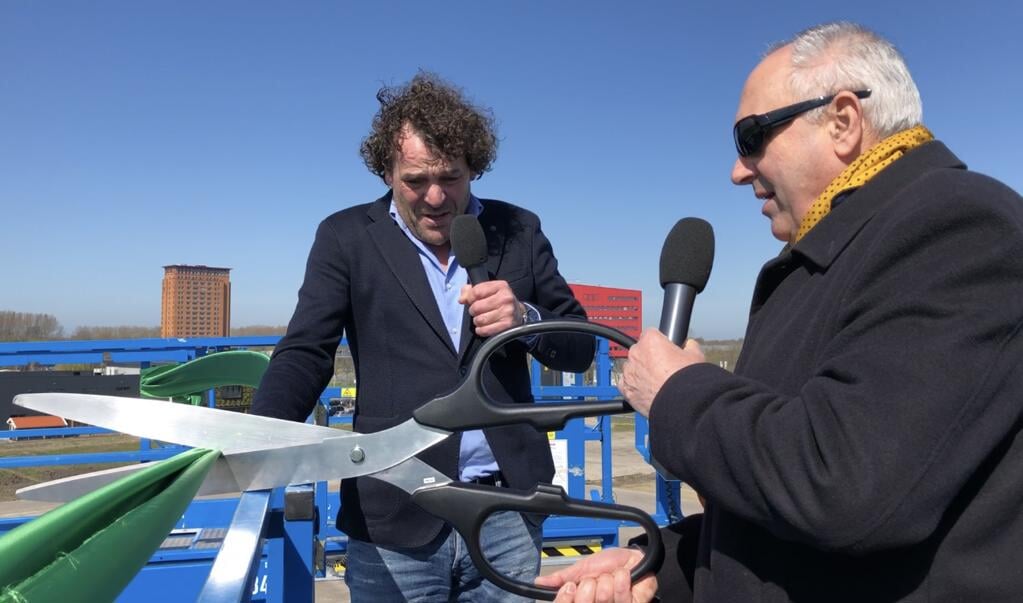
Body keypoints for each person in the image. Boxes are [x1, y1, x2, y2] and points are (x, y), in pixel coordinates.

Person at [538, 21, 1023, 603]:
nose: (738, 171)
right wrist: (660, 564)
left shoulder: (957, 226)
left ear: (842, 121)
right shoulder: (832, 256)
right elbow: (786, 512)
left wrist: (677, 392)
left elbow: (843, 487)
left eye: (751, 137)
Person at [250, 72, 594, 602]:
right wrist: (257, 439)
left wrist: (525, 318)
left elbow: (579, 348)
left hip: (508, 510)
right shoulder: (345, 237)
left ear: (473, 167)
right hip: (394, 511)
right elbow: (306, 353)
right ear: (386, 172)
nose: (435, 197)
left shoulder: (519, 229)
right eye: (415, 180)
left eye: (451, 178)